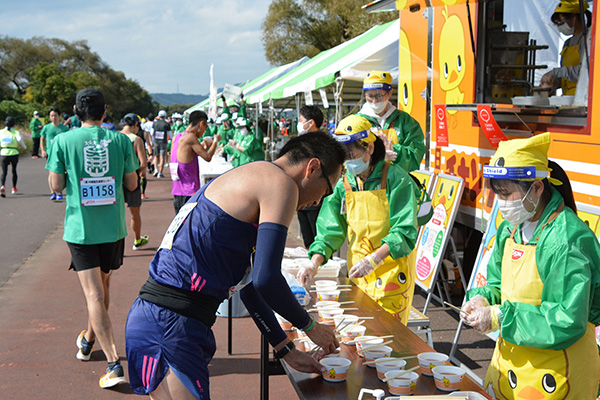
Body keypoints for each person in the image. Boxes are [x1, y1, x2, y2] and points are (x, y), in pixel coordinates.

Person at [125, 132, 344, 399]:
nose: (319, 202)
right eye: (327, 190)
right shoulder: (280, 183)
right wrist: (310, 326)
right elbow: (267, 279)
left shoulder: (250, 175)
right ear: (313, 167)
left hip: (159, 316)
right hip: (172, 322)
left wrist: (287, 350)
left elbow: (251, 286)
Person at [461, 132, 600, 399]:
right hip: (512, 362)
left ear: (537, 188)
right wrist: (481, 299)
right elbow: (497, 284)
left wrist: (501, 317)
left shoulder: (567, 239)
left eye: (507, 193)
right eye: (497, 193)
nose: (501, 202)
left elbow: (567, 319)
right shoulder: (510, 230)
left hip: (557, 369)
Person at [46, 88, 139, 389]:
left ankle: (114, 363)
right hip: (113, 227)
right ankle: (88, 341)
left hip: (81, 229)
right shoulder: (121, 140)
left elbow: (57, 186)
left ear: (75, 110)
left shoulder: (62, 140)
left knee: (94, 295)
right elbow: (132, 181)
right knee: (102, 288)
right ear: (105, 111)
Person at [297, 115, 420, 323]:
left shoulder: (396, 178)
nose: (347, 160)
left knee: (388, 339)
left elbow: (404, 230)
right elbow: (330, 229)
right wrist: (313, 263)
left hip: (392, 274)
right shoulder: (344, 182)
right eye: (342, 155)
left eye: (352, 153)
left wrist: (374, 259)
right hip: (358, 274)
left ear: (370, 148)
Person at [356, 70, 426, 172]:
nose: (374, 101)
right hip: (367, 185)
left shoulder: (405, 121)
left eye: (379, 95)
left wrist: (394, 150)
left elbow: (416, 155)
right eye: (370, 96)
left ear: (390, 93)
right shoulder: (356, 121)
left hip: (398, 182)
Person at [170, 110, 220, 214]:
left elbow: (184, 155)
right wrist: (215, 141)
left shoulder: (177, 137)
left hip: (178, 189)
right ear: (201, 123)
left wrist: (202, 147)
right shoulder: (191, 137)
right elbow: (207, 157)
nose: (204, 132)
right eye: (205, 127)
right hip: (189, 191)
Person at [541, 0, 592, 97]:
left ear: (574, 18)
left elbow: (584, 71)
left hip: (583, 99)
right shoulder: (567, 43)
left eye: (562, 22)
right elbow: (566, 76)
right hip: (567, 100)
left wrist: (555, 72)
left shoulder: (587, 40)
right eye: (558, 24)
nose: (560, 26)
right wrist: (552, 83)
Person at [295, 105, 325, 248]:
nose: (299, 124)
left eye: (301, 120)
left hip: (316, 200)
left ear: (311, 123)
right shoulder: (301, 142)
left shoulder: (323, 144)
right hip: (302, 198)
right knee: (307, 240)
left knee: (319, 240)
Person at [120, 113, 149, 250]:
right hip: (133, 180)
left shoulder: (115, 137)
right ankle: (137, 240)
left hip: (116, 180)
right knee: (134, 213)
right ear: (136, 124)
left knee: (116, 214)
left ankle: (117, 246)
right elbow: (143, 163)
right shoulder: (136, 140)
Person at [41, 108, 69, 200]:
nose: (54, 117)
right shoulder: (47, 127)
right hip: (50, 153)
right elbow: (42, 139)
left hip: (62, 153)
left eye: (55, 115)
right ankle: (53, 192)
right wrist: (43, 150)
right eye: (52, 116)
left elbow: (68, 141)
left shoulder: (64, 128)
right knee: (51, 172)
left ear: (59, 116)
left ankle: (59, 191)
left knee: (60, 172)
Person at [0, 116, 26, 197]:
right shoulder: (16, 132)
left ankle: (2, 186)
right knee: (14, 171)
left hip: (4, 153)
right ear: (14, 124)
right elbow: (19, 140)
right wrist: (24, 147)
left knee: (4, 172)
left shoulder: (1, 132)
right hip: (14, 153)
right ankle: (14, 188)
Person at [152, 110, 171, 178]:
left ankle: (156, 169)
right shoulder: (166, 124)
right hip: (163, 142)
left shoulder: (154, 123)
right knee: (162, 157)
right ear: (165, 116)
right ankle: (160, 173)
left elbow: (152, 133)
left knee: (156, 156)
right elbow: (170, 135)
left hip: (156, 142)